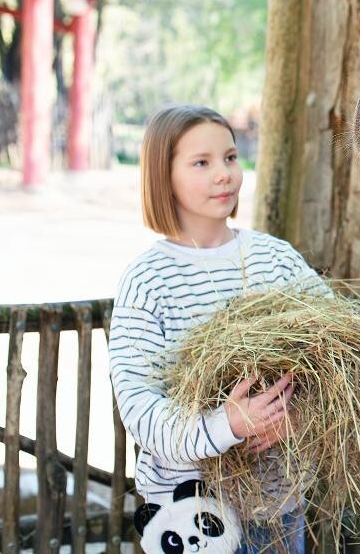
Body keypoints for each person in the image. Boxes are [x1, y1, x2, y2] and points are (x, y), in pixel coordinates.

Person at [110, 104, 329, 553]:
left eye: (230, 157)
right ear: (162, 175)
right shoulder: (148, 281)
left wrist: (296, 417)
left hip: (276, 504)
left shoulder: (274, 260)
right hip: (190, 517)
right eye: (202, 163)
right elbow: (139, 408)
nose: (224, 174)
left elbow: (339, 361)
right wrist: (228, 424)